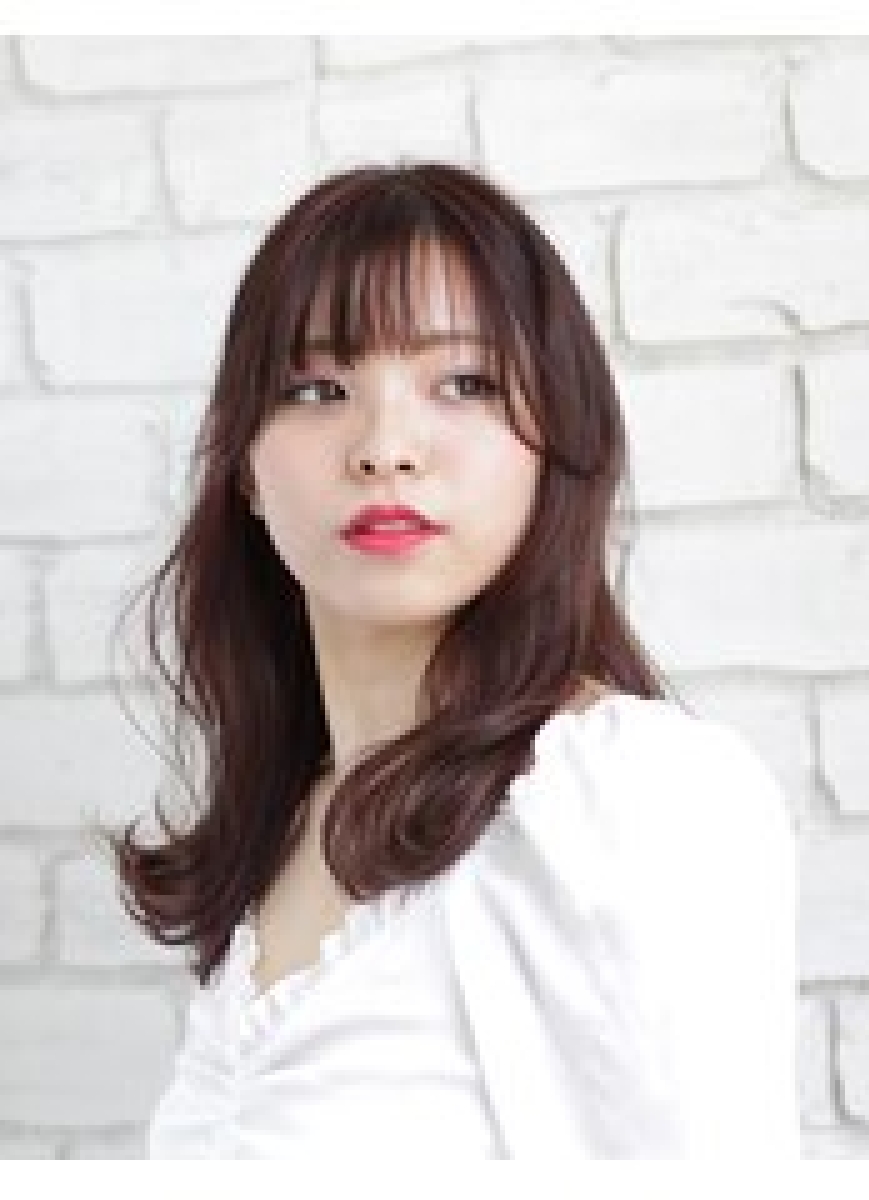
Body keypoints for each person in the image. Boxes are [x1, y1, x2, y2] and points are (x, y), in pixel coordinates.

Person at [99, 161, 798, 1158]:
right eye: (317, 389)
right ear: (244, 467)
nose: (386, 447)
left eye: (464, 384)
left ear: (557, 437)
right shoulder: (289, 824)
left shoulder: (629, 791)